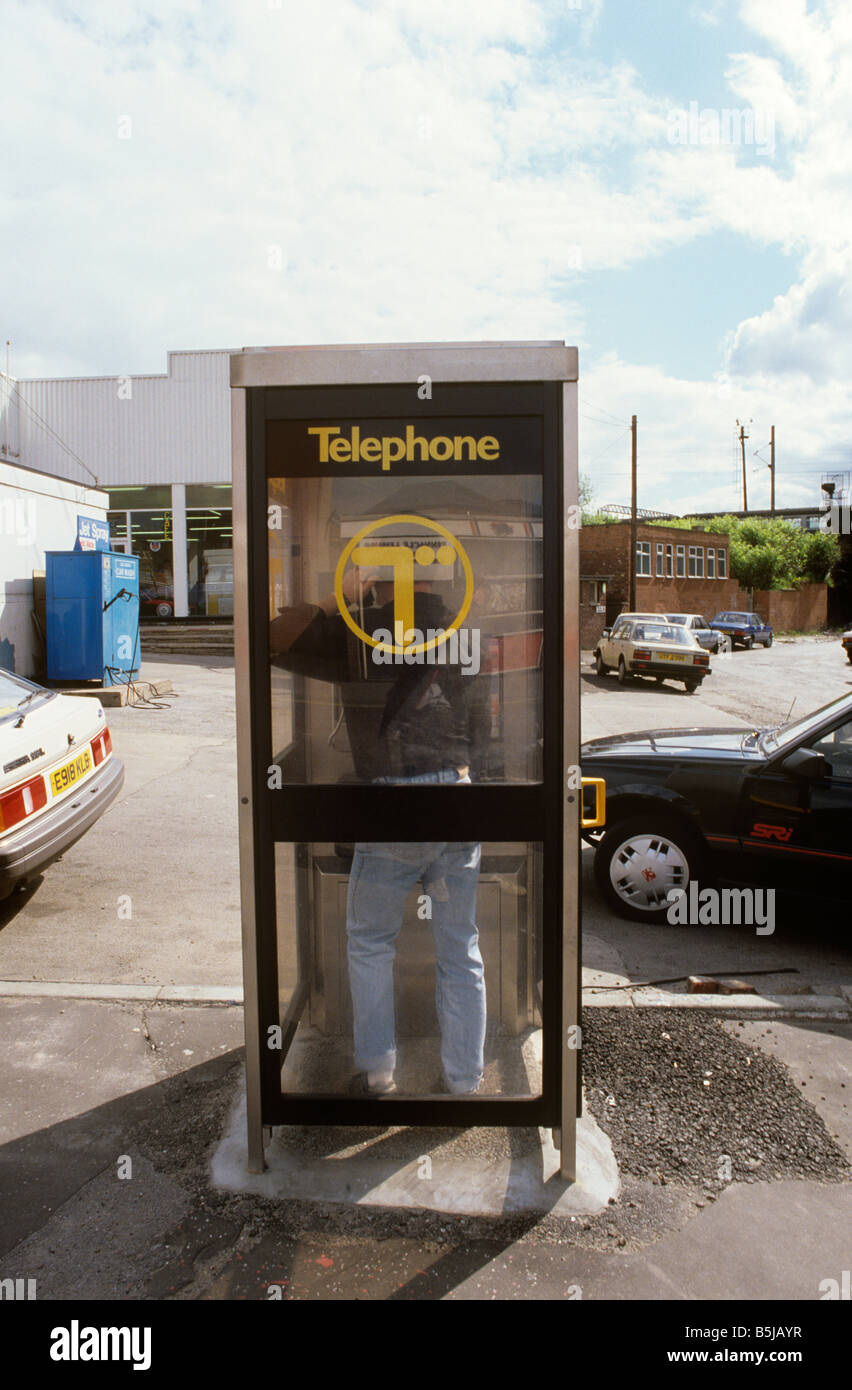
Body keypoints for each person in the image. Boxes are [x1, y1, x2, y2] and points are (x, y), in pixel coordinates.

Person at [270, 561, 487, 1096]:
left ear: (379, 583)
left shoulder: (357, 635)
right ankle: (463, 1081)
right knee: (460, 947)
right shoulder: (466, 629)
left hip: (392, 802)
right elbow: (487, 720)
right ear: (439, 581)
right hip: (459, 795)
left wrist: (333, 598)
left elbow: (270, 639)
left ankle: (379, 1073)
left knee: (370, 941)